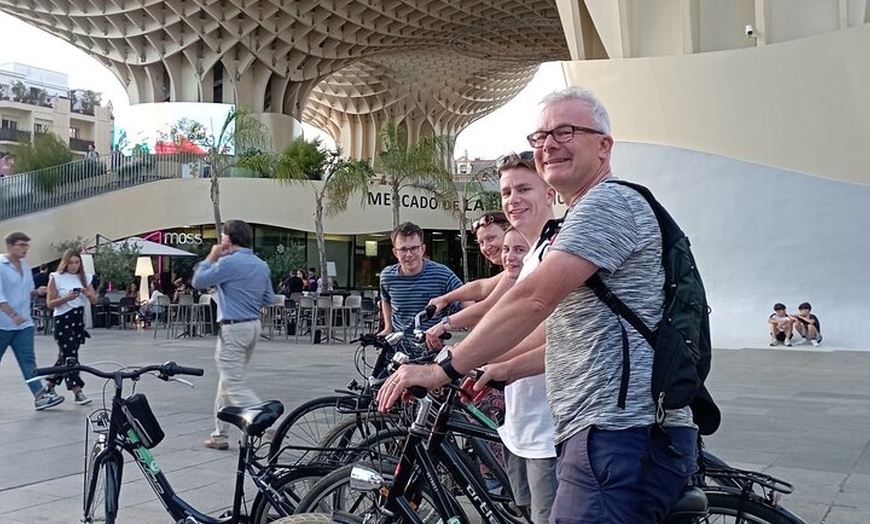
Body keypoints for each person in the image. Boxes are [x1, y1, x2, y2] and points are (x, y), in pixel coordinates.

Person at [379, 87, 698, 523]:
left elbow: (532, 300)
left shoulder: (607, 204)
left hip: (619, 431)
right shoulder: (582, 215)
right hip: (603, 428)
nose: (549, 144)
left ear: (604, 145)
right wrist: (500, 366)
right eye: (541, 136)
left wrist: (443, 368)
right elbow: (565, 328)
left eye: (566, 131)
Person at [192, 220, 274, 450]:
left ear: (228, 238)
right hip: (253, 325)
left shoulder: (227, 262)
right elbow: (268, 298)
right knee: (226, 381)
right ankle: (220, 435)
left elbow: (198, 280)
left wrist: (212, 256)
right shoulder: (260, 264)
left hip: (233, 327)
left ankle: (268, 425)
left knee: (234, 383)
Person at [378, 222, 465, 355]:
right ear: (395, 252)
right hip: (397, 351)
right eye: (403, 249)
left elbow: (466, 303)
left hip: (430, 351)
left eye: (414, 248)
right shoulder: (387, 276)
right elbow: (386, 299)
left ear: (422, 249)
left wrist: (444, 326)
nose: (409, 254)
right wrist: (388, 327)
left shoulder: (442, 275)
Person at [0, 232, 65, 410]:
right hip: (3, 325)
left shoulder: (25, 266)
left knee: (28, 361)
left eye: (26, 245)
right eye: (21, 245)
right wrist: (13, 315)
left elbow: (28, 291)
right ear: (11, 246)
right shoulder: (0, 265)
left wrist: (38, 292)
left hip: (24, 325)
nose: (25, 249)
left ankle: (40, 396)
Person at [44, 249, 97, 405]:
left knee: (65, 356)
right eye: (71, 263)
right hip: (63, 319)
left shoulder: (85, 278)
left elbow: (94, 300)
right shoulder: (56, 277)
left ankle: (50, 384)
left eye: (77, 262)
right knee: (71, 356)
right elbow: (50, 303)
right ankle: (77, 390)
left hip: (78, 320)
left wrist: (87, 294)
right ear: (65, 263)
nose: (74, 266)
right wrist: (66, 298)